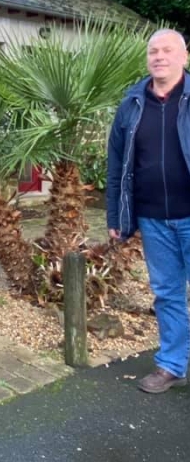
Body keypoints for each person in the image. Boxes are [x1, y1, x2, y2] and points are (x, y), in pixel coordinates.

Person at [107, 28, 190, 393]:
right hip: (153, 219)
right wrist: (116, 217)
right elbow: (115, 166)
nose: (159, 56)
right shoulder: (131, 104)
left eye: (167, 50)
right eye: (153, 51)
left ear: (184, 56)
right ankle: (172, 364)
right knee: (167, 292)